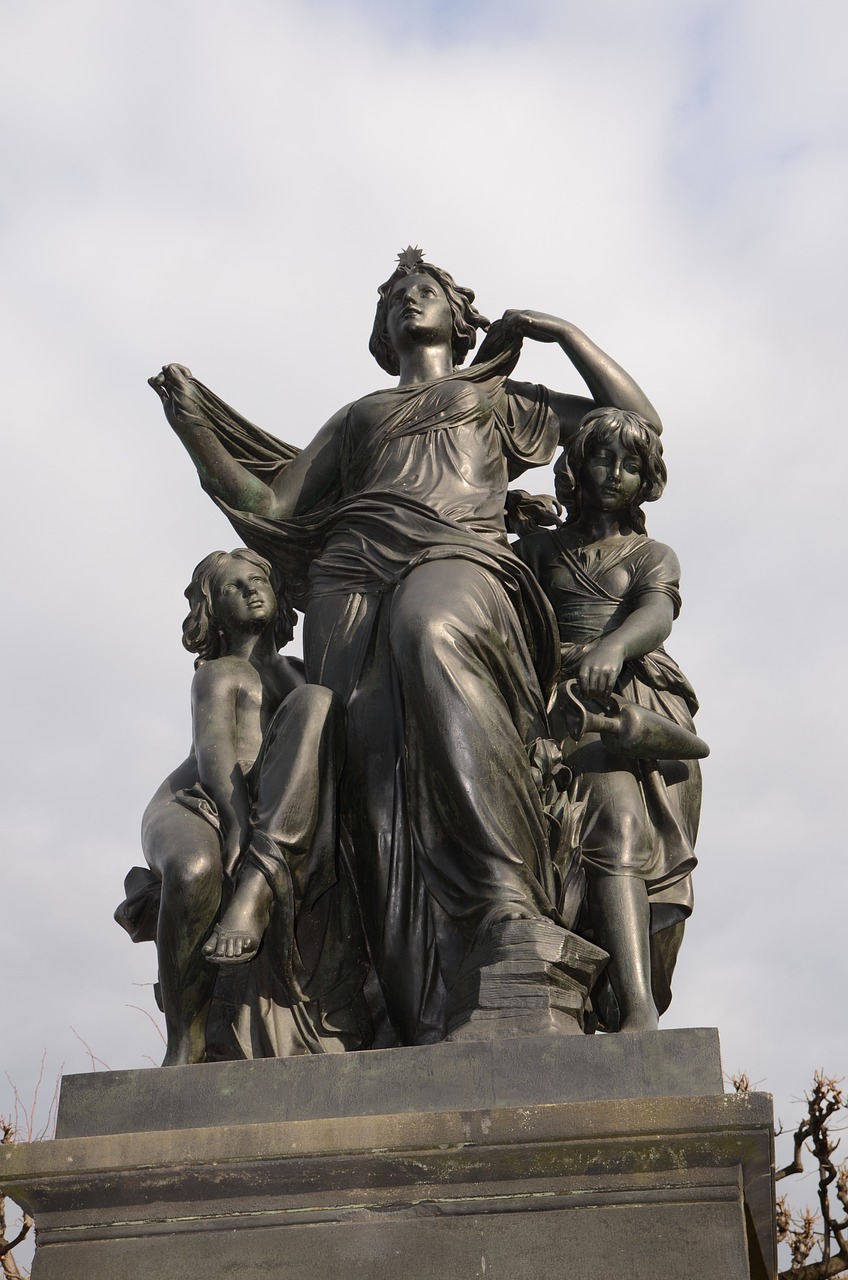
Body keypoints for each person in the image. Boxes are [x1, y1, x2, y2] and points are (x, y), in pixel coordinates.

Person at [148, 248, 661, 1045]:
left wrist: (560, 332)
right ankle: (404, 1000)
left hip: (461, 559)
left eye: (425, 291)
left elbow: (637, 420)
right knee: (368, 767)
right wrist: (193, 432)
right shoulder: (357, 419)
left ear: (461, 319)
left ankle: (505, 911)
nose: (407, 301)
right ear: (382, 330)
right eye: (393, 297)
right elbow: (270, 503)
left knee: (432, 629)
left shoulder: (496, 398)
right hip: (349, 577)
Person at [115, 548, 368, 1064]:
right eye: (235, 586)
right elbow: (217, 761)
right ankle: (185, 1044)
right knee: (194, 868)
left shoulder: (301, 676)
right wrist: (234, 833)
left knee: (319, 701)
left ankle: (258, 892)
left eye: (260, 580)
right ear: (211, 607)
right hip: (200, 803)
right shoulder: (219, 674)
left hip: (271, 806)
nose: (253, 590)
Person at [515, 408, 705, 1032]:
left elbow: (657, 614)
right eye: (602, 458)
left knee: (621, 826)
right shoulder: (539, 551)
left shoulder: (651, 554)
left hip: (622, 707)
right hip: (546, 704)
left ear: (647, 478)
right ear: (574, 466)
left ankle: (638, 1007)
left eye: (631, 464)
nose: (616, 474)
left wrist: (614, 646)